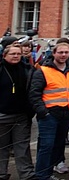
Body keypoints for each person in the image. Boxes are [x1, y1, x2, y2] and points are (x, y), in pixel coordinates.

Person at [29, 39, 69, 180]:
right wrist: (43, 112)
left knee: (58, 145)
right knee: (46, 146)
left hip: (66, 113)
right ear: (54, 53)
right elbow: (34, 93)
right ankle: (42, 175)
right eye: (60, 52)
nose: (63, 55)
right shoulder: (43, 70)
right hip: (50, 114)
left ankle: (49, 173)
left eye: (66, 52)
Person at [0, 44, 35, 180]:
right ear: (5, 55)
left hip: (22, 116)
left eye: (18, 54)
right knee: (2, 148)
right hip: (2, 115)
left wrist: (30, 111)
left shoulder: (28, 69)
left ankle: (27, 175)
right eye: (12, 54)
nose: (16, 56)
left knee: (23, 148)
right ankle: (1, 174)